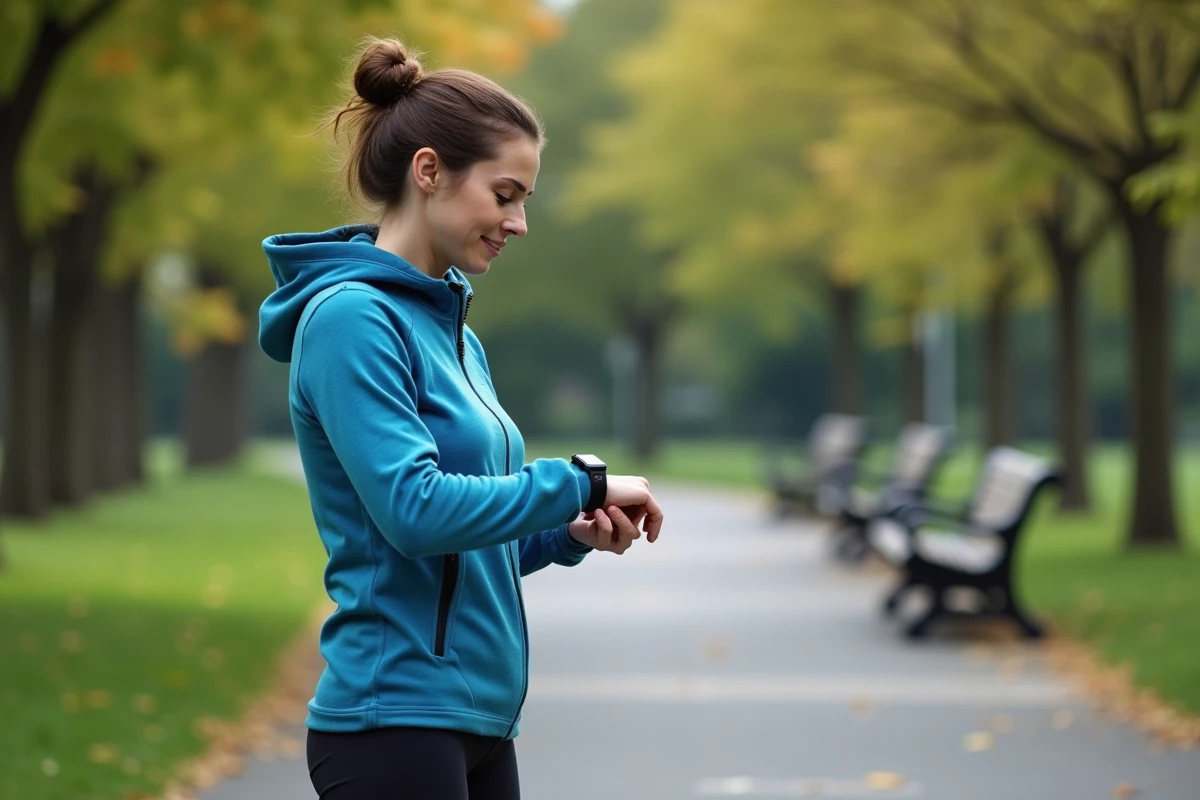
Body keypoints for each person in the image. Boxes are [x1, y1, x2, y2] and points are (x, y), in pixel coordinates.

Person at [257, 37, 665, 800]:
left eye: (524, 201)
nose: (518, 222)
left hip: (476, 719)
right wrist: (577, 482)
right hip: (393, 721)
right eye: (504, 194)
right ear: (429, 171)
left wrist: (565, 532)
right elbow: (412, 513)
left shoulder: (457, 335)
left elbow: (457, 556)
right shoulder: (352, 320)